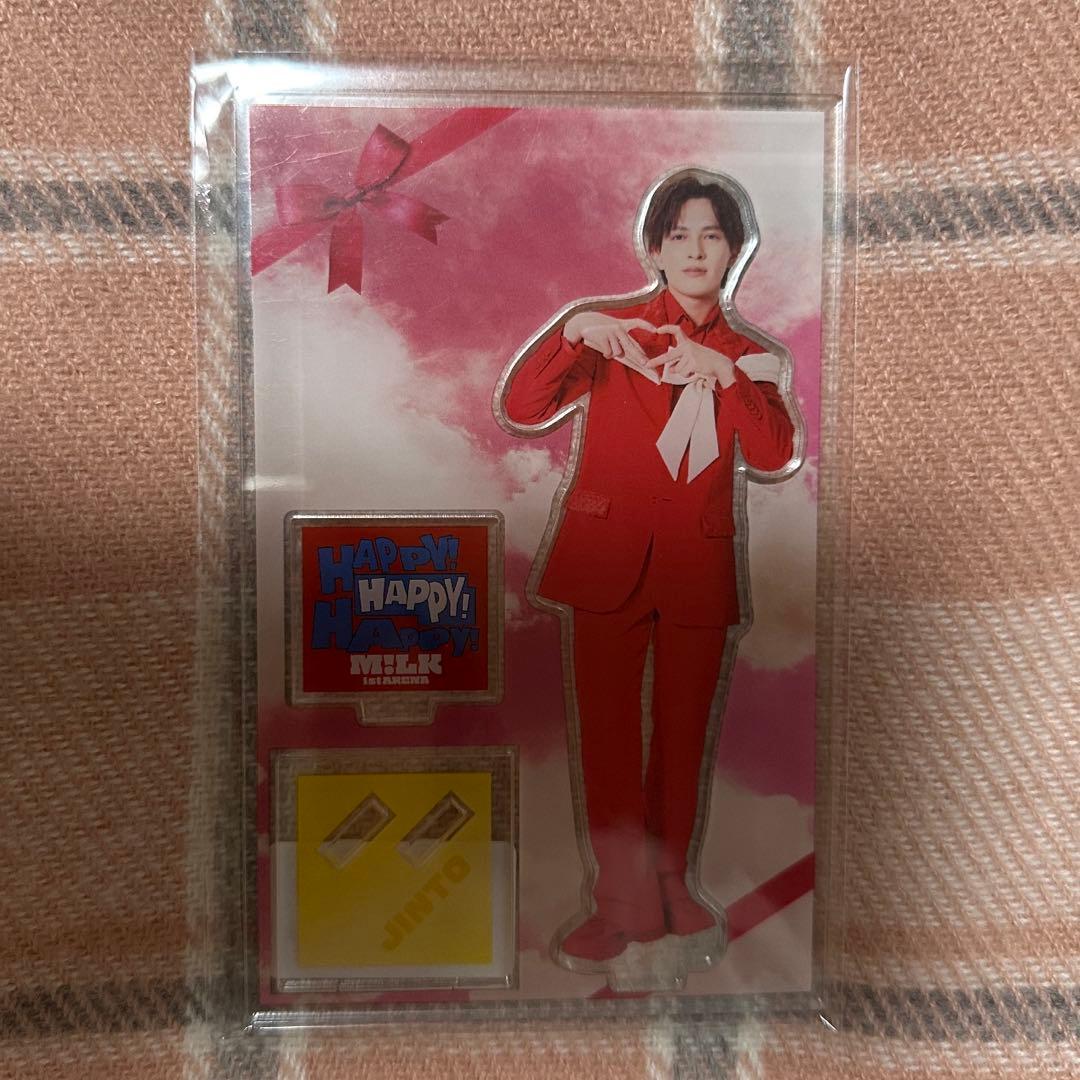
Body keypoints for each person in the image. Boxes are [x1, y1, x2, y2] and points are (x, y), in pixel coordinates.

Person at [497, 171, 800, 968]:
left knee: (684, 737)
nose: (696, 251)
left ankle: (672, 887)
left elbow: (774, 452)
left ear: (735, 250)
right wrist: (573, 332)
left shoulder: (753, 358)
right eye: (679, 236)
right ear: (655, 248)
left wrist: (725, 376)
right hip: (606, 560)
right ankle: (619, 903)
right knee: (605, 740)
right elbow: (524, 409)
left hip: (699, 566)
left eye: (712, 236)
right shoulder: (614, 332)